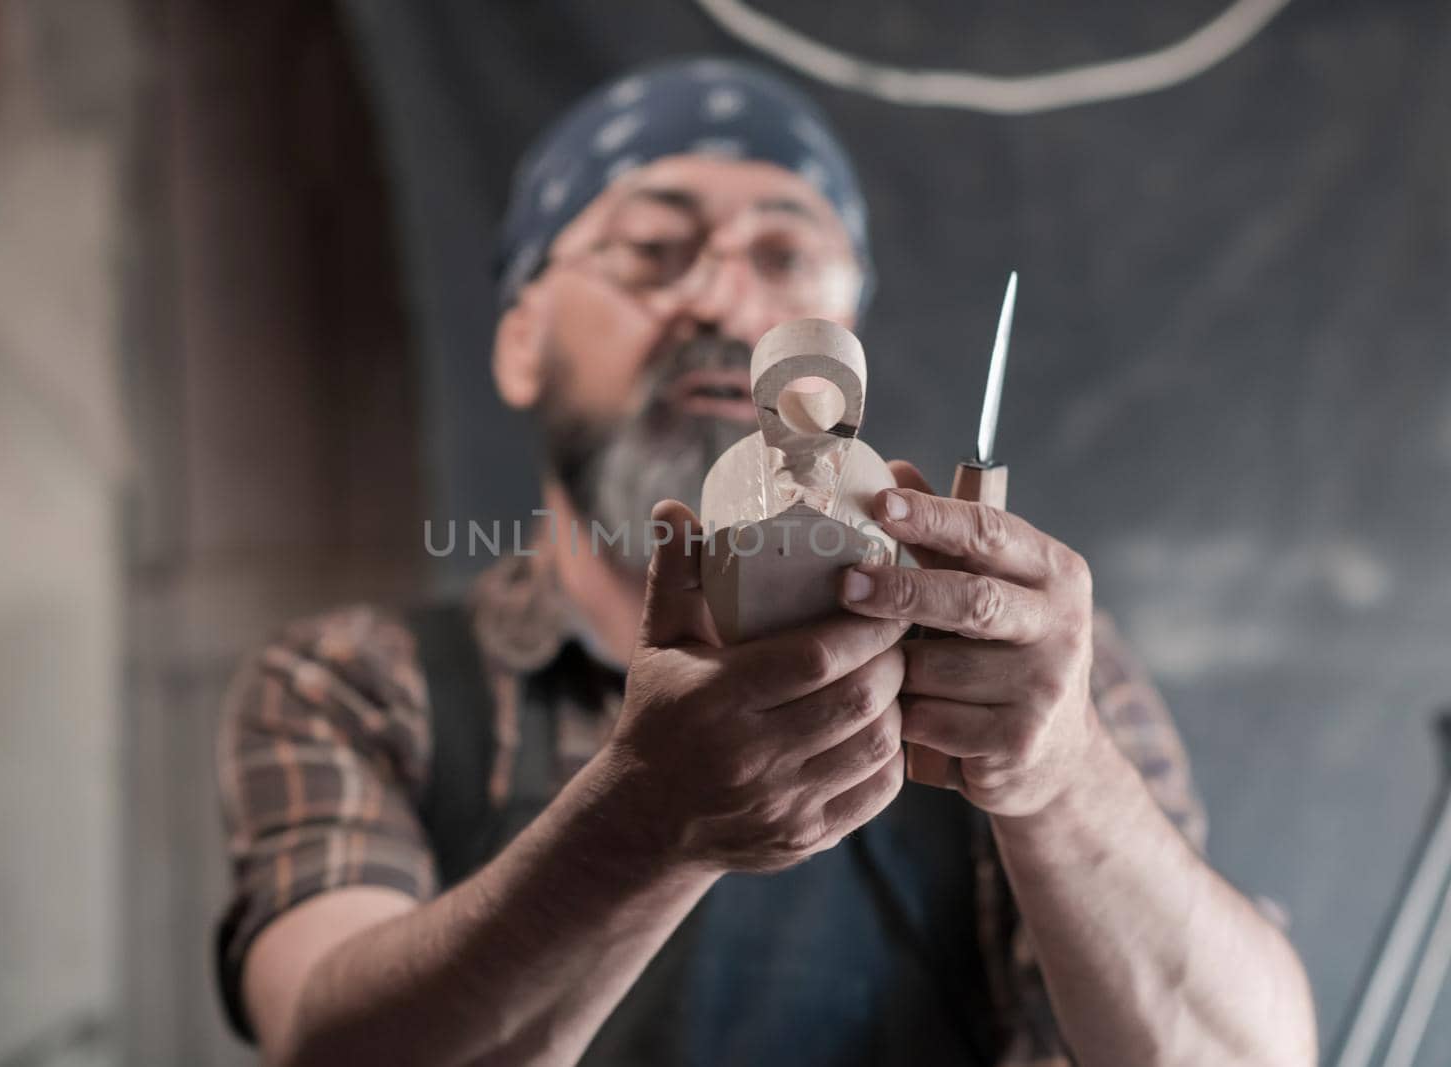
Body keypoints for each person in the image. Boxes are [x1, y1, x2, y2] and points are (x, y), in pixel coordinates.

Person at [214, 56, 1316, 1067]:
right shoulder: (356, 679)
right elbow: (325, 1049)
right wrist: (641, 824)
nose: (725, 299)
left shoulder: (1012, 666)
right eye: (652, 250)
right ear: (519, 339)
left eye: (786, 256)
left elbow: (1247, 1054)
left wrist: (1062, 776)